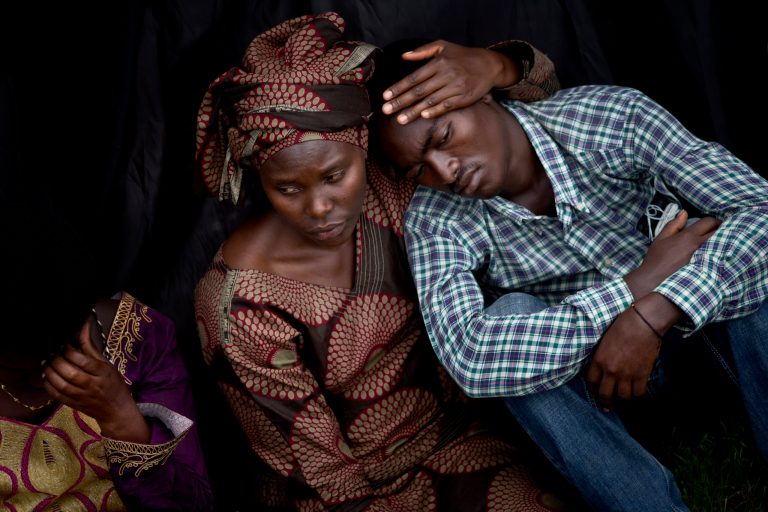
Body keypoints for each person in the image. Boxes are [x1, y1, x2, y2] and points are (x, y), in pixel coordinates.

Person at [193, 11, 572, 511]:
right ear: (259, 177)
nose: (320, 208)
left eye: (334, 176)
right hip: (341, 492)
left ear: (362, 146)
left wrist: (495, 67)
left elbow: (541, 105)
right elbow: (318, 474)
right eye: (287, 188)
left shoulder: (396, 185)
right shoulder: (237, 304)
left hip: (464, 438)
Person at [374, 53, 768, 511]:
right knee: (507, 322)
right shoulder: (435, 220)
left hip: (709, 342)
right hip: (607, 395)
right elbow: (471, 355)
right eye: (418, 170)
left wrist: (653, 311)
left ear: (479, 93)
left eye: (444, 136)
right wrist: (631, 290)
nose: (444, 171)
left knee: (746, 258)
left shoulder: (609, 117)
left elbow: (759, 208)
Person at [0, 288, 214, 510]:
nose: (46, 379)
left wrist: (121, 418)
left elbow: (195, 504)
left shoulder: (136, 335)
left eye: (65, 350)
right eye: (17, 371)